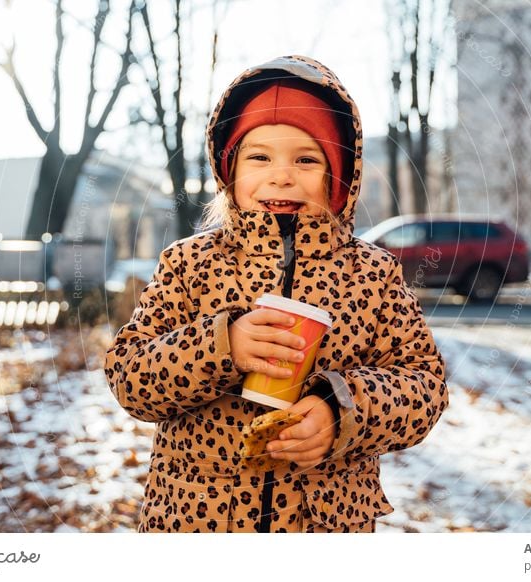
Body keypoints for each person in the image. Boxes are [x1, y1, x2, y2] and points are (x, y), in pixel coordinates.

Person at [104, 55, 448, 533]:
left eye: (306, 159)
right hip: (198, 520)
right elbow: (129, 377)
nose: (281, 175)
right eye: (259, 156)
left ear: (338, 176)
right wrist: (220, 346)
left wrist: (340, 411)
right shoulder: (190, 265)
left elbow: (425, 386)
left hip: (324, 521)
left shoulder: (372, 274)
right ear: (229, 168)